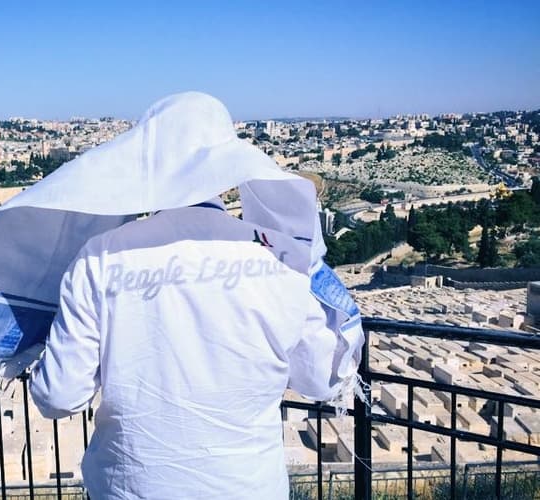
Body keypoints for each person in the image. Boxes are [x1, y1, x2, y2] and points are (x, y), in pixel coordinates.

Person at [27, 94, 363, 499]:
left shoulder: (100, 257)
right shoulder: (281, 257)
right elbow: (321, 378)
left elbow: (59, 395)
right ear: (226, 166)